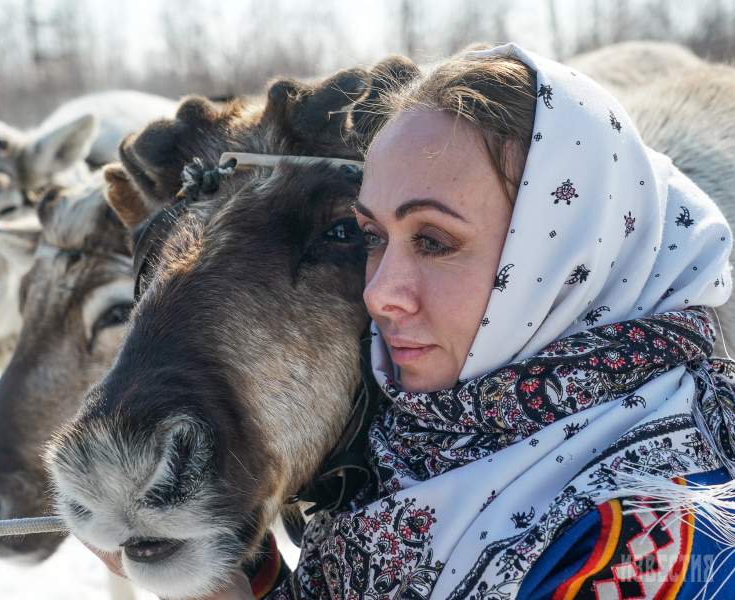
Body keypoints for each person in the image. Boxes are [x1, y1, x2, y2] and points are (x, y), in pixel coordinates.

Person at [262, 43, 735, 599]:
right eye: (372, 237)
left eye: (434, 242)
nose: (380, 293)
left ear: (566, 258)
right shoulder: (424, 442)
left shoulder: (656, 543)